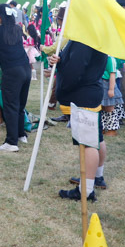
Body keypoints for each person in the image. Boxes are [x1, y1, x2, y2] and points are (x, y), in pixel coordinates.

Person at [50, 38, 107, 202]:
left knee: (88, 143)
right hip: (89, 93)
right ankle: (96, 177)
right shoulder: (93, 36)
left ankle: (86, 190)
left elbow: (75, 71)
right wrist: (60, 60)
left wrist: (63, 85)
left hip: (83, 96)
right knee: (96, 139)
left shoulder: (84, 38)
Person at [0, 4, 32, 152]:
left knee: (10, 106)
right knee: (20, 105)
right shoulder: (17, 29)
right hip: (26, 69)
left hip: (12, 72)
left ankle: (11, 142)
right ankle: (21, 134)